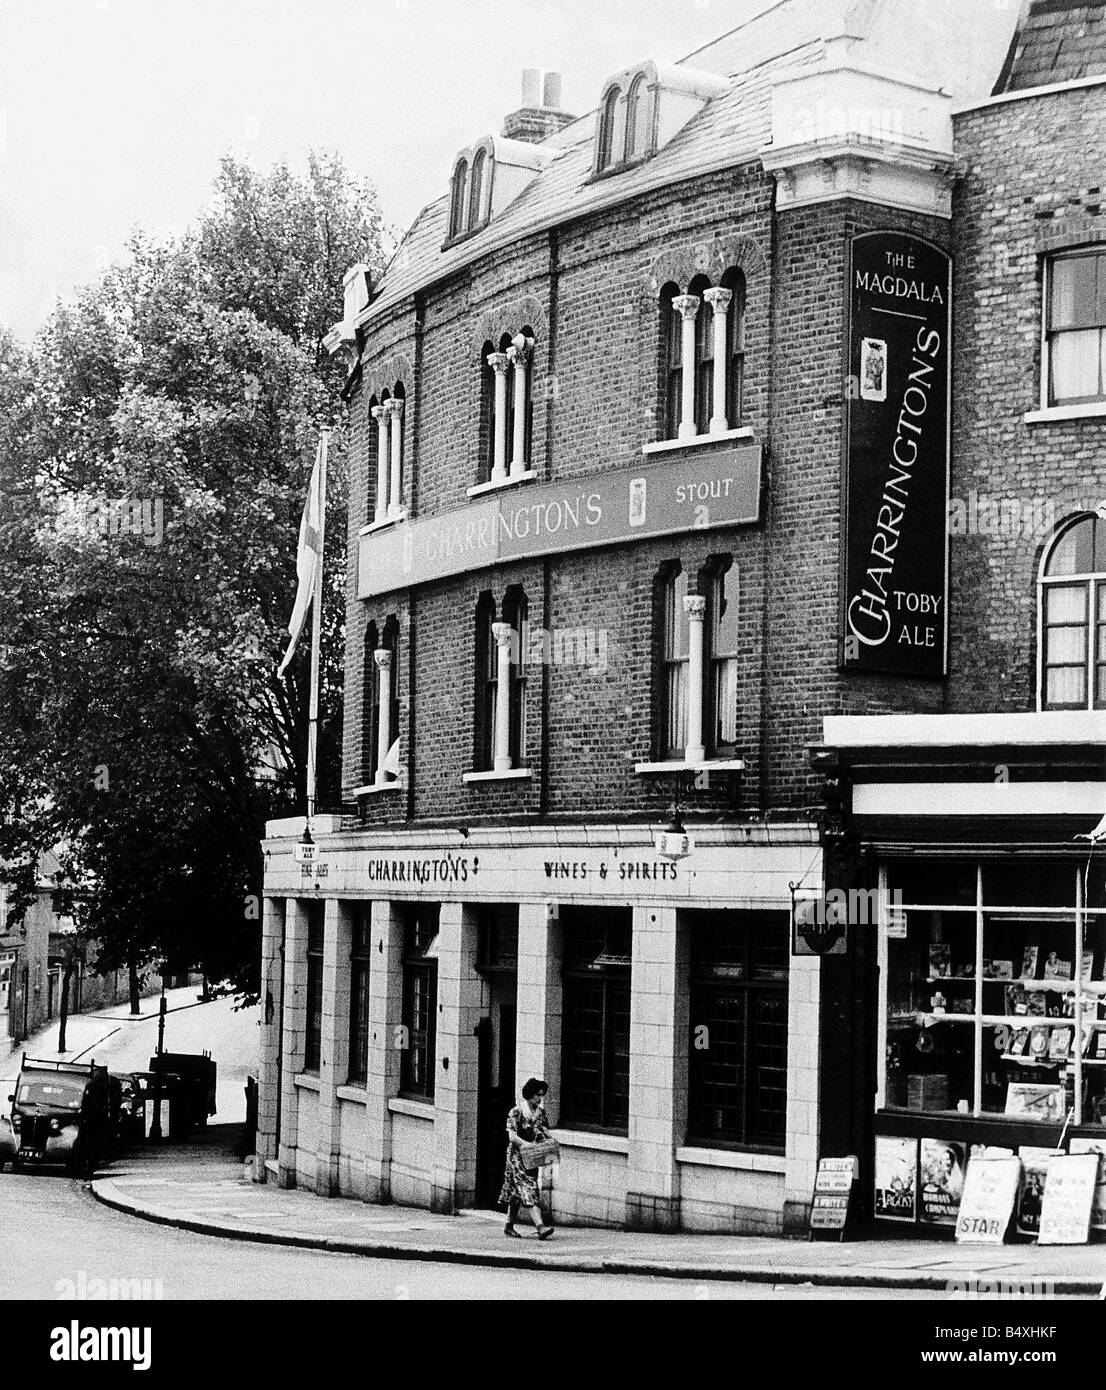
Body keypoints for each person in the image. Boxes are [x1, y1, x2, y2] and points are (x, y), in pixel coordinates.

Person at [500, 1077, 554, 1240]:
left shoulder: (540, 1113)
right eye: (537, 1095)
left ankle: (509, 1225)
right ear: (529, 1094)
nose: (540, 1098)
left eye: (542, 1095)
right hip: (516, 1157)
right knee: (528, 1188)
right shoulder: (516, 1111)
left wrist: (549, 1142)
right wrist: (526, 1144)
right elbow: (512, 1136)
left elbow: (544, 1131)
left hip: (531, 1158)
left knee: (516, 1193)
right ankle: (540, 1227)